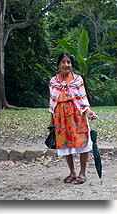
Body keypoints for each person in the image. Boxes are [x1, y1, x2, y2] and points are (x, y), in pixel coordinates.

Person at [48, 53, 97, 184]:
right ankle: (72, 172)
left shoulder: (78, 79)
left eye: (69, 62)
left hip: (77, 115)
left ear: (71, 65)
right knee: (65, 144)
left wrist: (89, 112)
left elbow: (82, 99)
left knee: (82, 142)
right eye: (63, 62)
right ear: (58, 64)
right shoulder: (53, 82)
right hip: (60, 116)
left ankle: (82, 173)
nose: (66, 65)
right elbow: (52, 103)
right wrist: (51, 120)